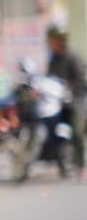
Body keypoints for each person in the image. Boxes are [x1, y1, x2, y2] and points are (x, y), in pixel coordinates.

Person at [46, 24, 86, 175]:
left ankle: (80, 164)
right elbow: (49, 79)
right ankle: (58, 160)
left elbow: (82, 79)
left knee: (76, 130)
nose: (52, 44)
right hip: (57, 100)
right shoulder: (53, 60)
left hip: (75, 99)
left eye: (54, 41)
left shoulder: (73, 57)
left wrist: (71, 87)